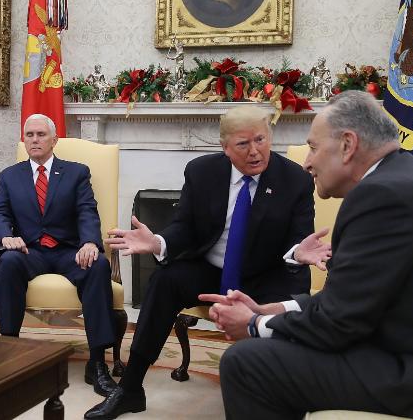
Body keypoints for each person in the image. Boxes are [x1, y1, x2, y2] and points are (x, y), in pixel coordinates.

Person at [202, 91, 413, 419]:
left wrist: (255, 324)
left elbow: (338, 323)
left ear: (347, 145)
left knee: (247, 363)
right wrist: (278, 308)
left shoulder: (385, 195)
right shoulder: (400, 179)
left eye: (314, 148)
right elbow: (350, 298)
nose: (307, 163)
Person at [85, 105, 315, 419]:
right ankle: (130, 389)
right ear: (225, 148)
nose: (255, 151)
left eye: (261, 140)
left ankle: (279, 394)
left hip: (266, 275)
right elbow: (186, 226)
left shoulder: (295, 180)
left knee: (288, 305)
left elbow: (300, 239)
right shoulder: (202, 171)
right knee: (165, 281)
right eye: (243, 144)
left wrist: (298, 253)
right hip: (212, 269)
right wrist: (159, 242)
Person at [0, 113, 118, 397]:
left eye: (41, 135)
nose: (34, 140)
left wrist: (90, 243)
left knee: (97, 266)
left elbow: (86, 210)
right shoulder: (10, 176)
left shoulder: (76, 172)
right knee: (8, 263)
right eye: (30, 135)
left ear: (54, 139)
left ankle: (97, 362)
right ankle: (10, 350)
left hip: (69, 251)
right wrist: (5, 237)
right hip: (29, 250)